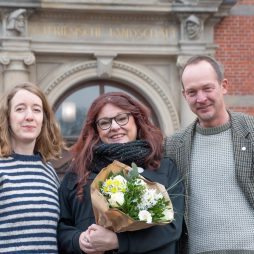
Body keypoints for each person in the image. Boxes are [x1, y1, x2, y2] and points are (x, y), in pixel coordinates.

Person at [57, 92, 184, 254]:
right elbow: (61, 227)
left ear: (137, 120)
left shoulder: (163, 167)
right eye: (104, 122)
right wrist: (78, 240)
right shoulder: (79, 172)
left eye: (122, 118)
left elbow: (172, 228)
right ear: (96, 130)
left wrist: (118, 242)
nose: (115, 127)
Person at [164, 55, 254, 253]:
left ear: (223, 85)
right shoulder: (173, 145)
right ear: (184, 95)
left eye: (207, 88)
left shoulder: (252, 131)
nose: (201, 98)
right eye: (192, 92)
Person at [0, 82, 65, 253]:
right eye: (20, 109)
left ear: (44, 119)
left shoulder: (48, 170)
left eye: (36, 110)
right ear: (7, 117)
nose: (29, 116)